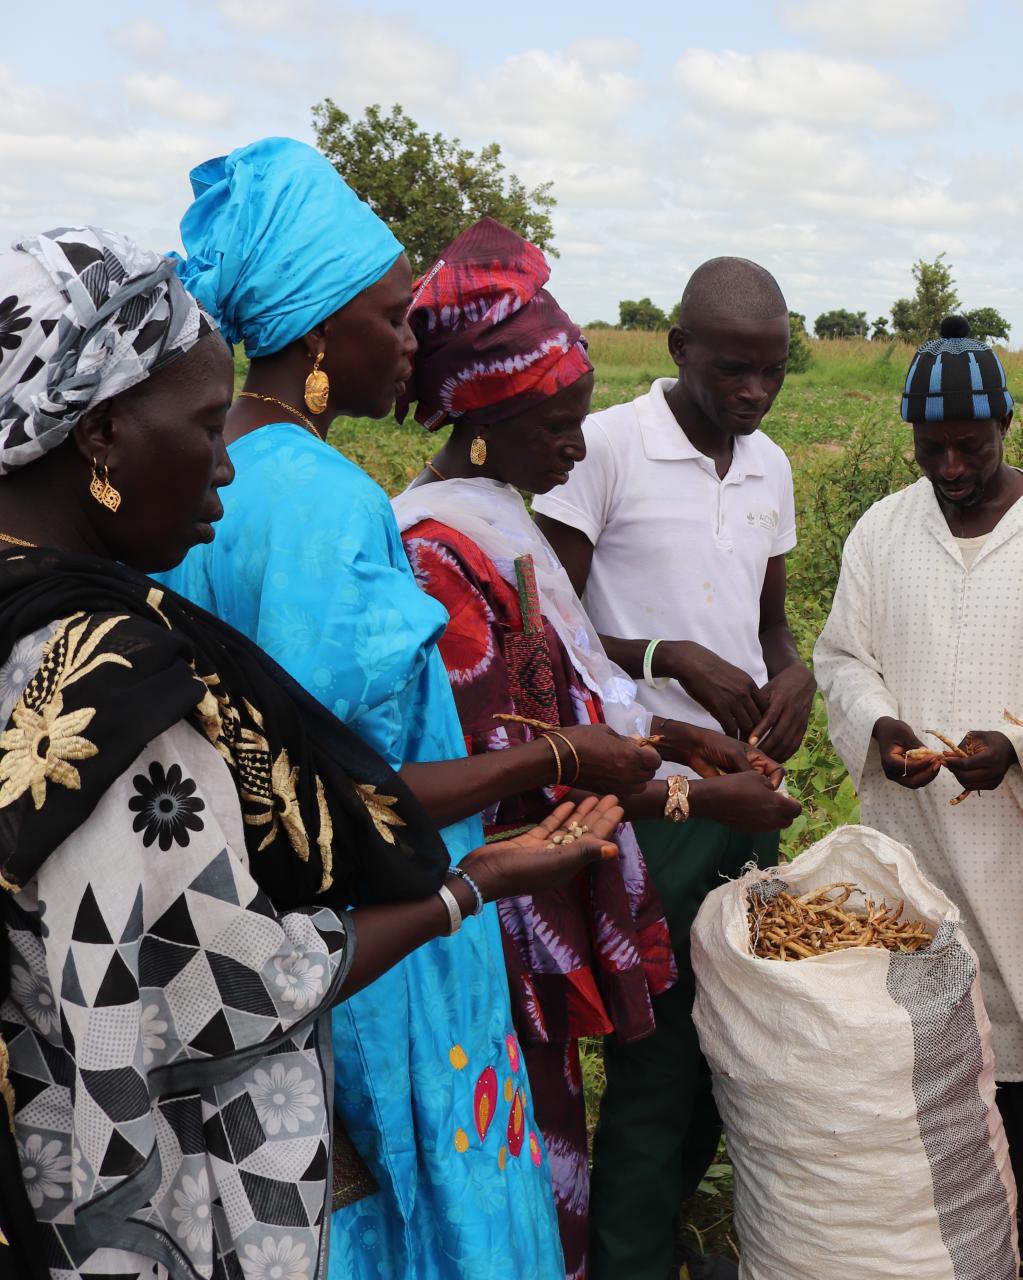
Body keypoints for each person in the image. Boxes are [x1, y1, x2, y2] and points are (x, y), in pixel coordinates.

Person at [0, 225, 626, 1280]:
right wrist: (477, 882)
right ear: (101, 434)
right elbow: (226, 995)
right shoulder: (111, 691)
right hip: (121, 1205)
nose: (229, 458)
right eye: (204, 424)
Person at [156, 139, 659, 1279]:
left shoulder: (204, 481)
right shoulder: (328, 504)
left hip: (255, 941)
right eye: (390, 315)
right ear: (318, 336)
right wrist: (554, 768)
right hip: (379, 945)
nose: (410, 339)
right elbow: (347, 790)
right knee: (419, 1205)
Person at [390, 218, 794, 1280]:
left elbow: (575, 708)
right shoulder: (442, 551)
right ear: (487, 416)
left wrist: (674, 739)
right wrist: (694, 797)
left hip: (533, 899)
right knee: (516, 1148)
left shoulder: (496, 520)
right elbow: (522, 768)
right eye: (560, 425)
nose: (576, 447)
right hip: (493, 915)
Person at [813, 314, 1023, 1278]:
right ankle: (946, 1234)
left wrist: (1021, 741)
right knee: (931, 1032)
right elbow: (841, 655)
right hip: (909, 836)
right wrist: (882, 731)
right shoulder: (881, 529)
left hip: (1022, 846)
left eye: (970, 446)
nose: (950, 465)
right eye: (933, 448)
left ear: (1006, 429)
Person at [531, 256, 805, 1277]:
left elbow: (772, 623)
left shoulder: (768, 463)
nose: (753, 392)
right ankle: (628, 1254)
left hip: (745, 789)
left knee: (736, 1029)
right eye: (734, 369)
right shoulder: (604, 448)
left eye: (772, 372)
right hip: (650, 794)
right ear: (681, 348)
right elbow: (551, 639)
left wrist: (795, 674)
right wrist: (667, 658)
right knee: (655, 1047)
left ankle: (662, 1217)